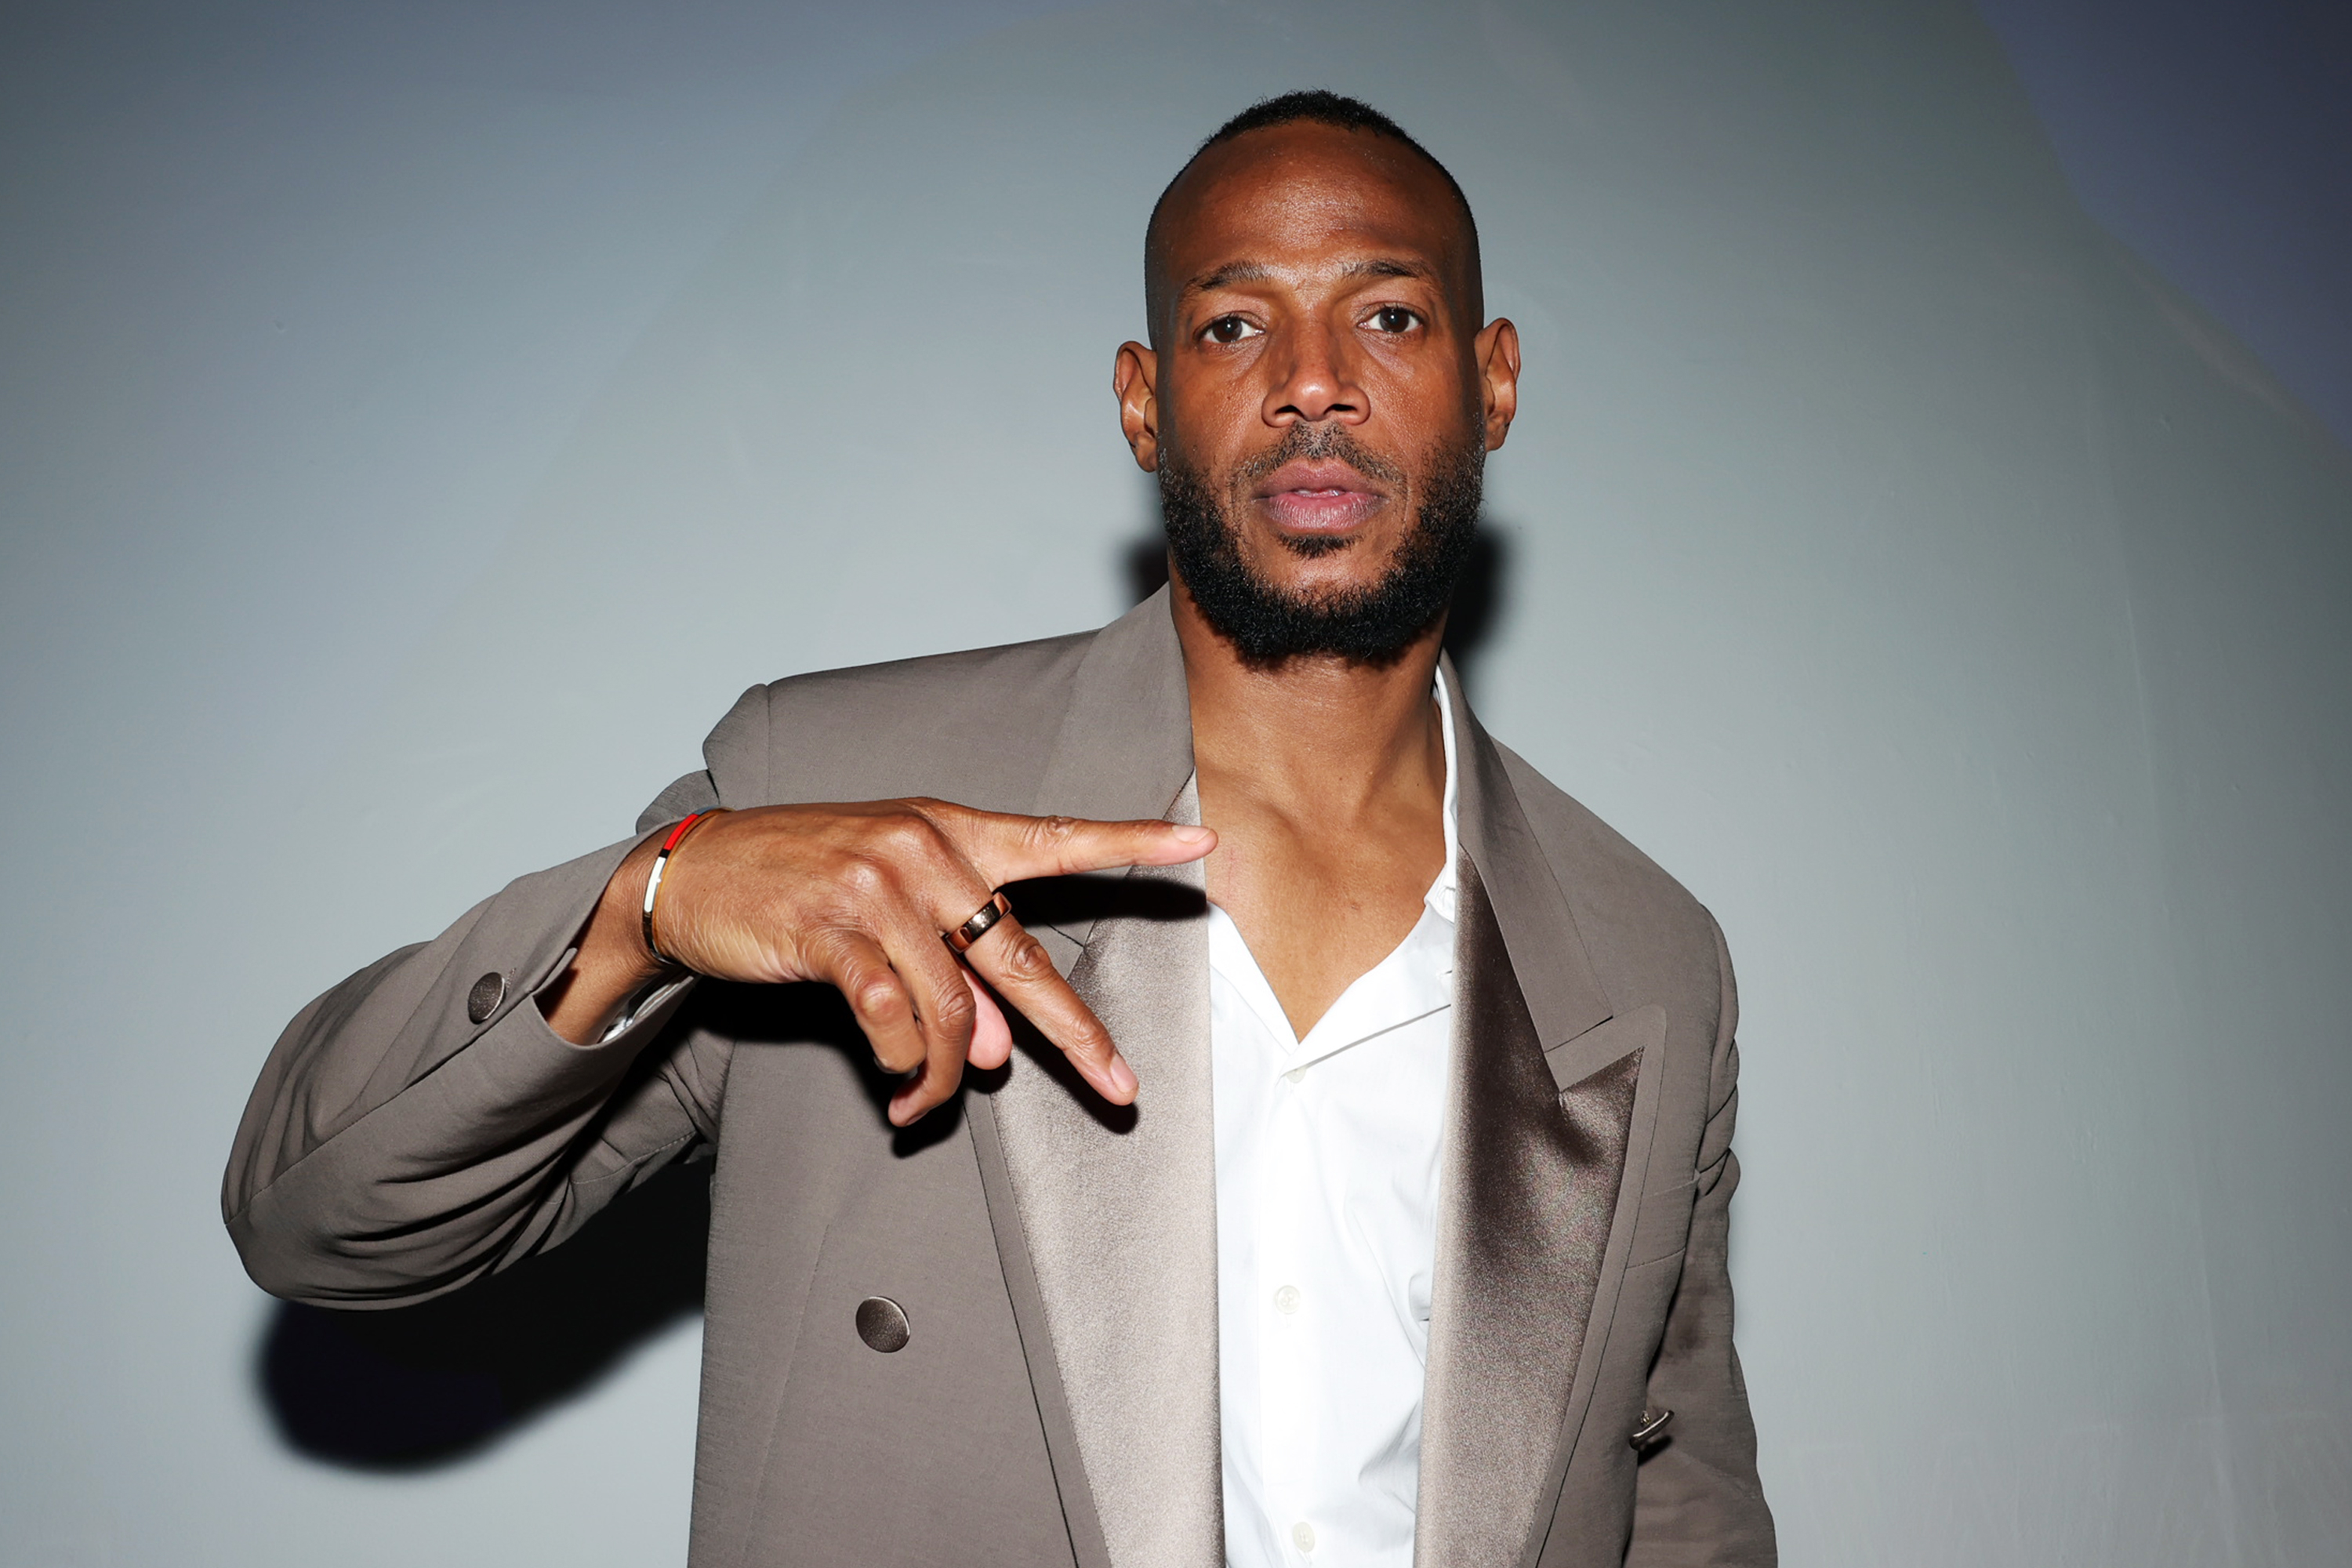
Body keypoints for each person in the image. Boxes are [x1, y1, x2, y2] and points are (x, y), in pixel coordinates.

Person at [226, 90, 1774, 1567]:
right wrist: (652, 901)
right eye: (1235, 324)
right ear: (1143, 401)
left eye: (1388, 315)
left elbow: (1683, 1498)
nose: (1314, 379)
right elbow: (322, 1224)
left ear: (1493, 379)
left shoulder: (1648, 954)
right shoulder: (838, 784)